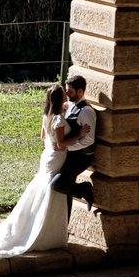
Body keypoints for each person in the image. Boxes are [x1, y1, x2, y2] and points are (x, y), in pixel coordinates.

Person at [0, 84, 89, 257]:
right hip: (56, 157)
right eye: (64, 96)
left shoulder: (47, 115)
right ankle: (47, 233)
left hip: (47, 156)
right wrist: (78, 135)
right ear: (60, 99)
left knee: (43, 188)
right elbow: (60, 144)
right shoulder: (58, 119)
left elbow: (44, 137)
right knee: (50, 191)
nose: (66, 97)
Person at [51, 74, 95, 211]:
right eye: (66, 90)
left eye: (70, 91)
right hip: (70, 155)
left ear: (80, 91)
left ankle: (85, 189)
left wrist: (68, 147)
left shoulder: (86, 111)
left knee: (57, 184)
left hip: (82, 157)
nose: (67, 93)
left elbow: (89, 139)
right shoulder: (70, 106)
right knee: (65, 189)